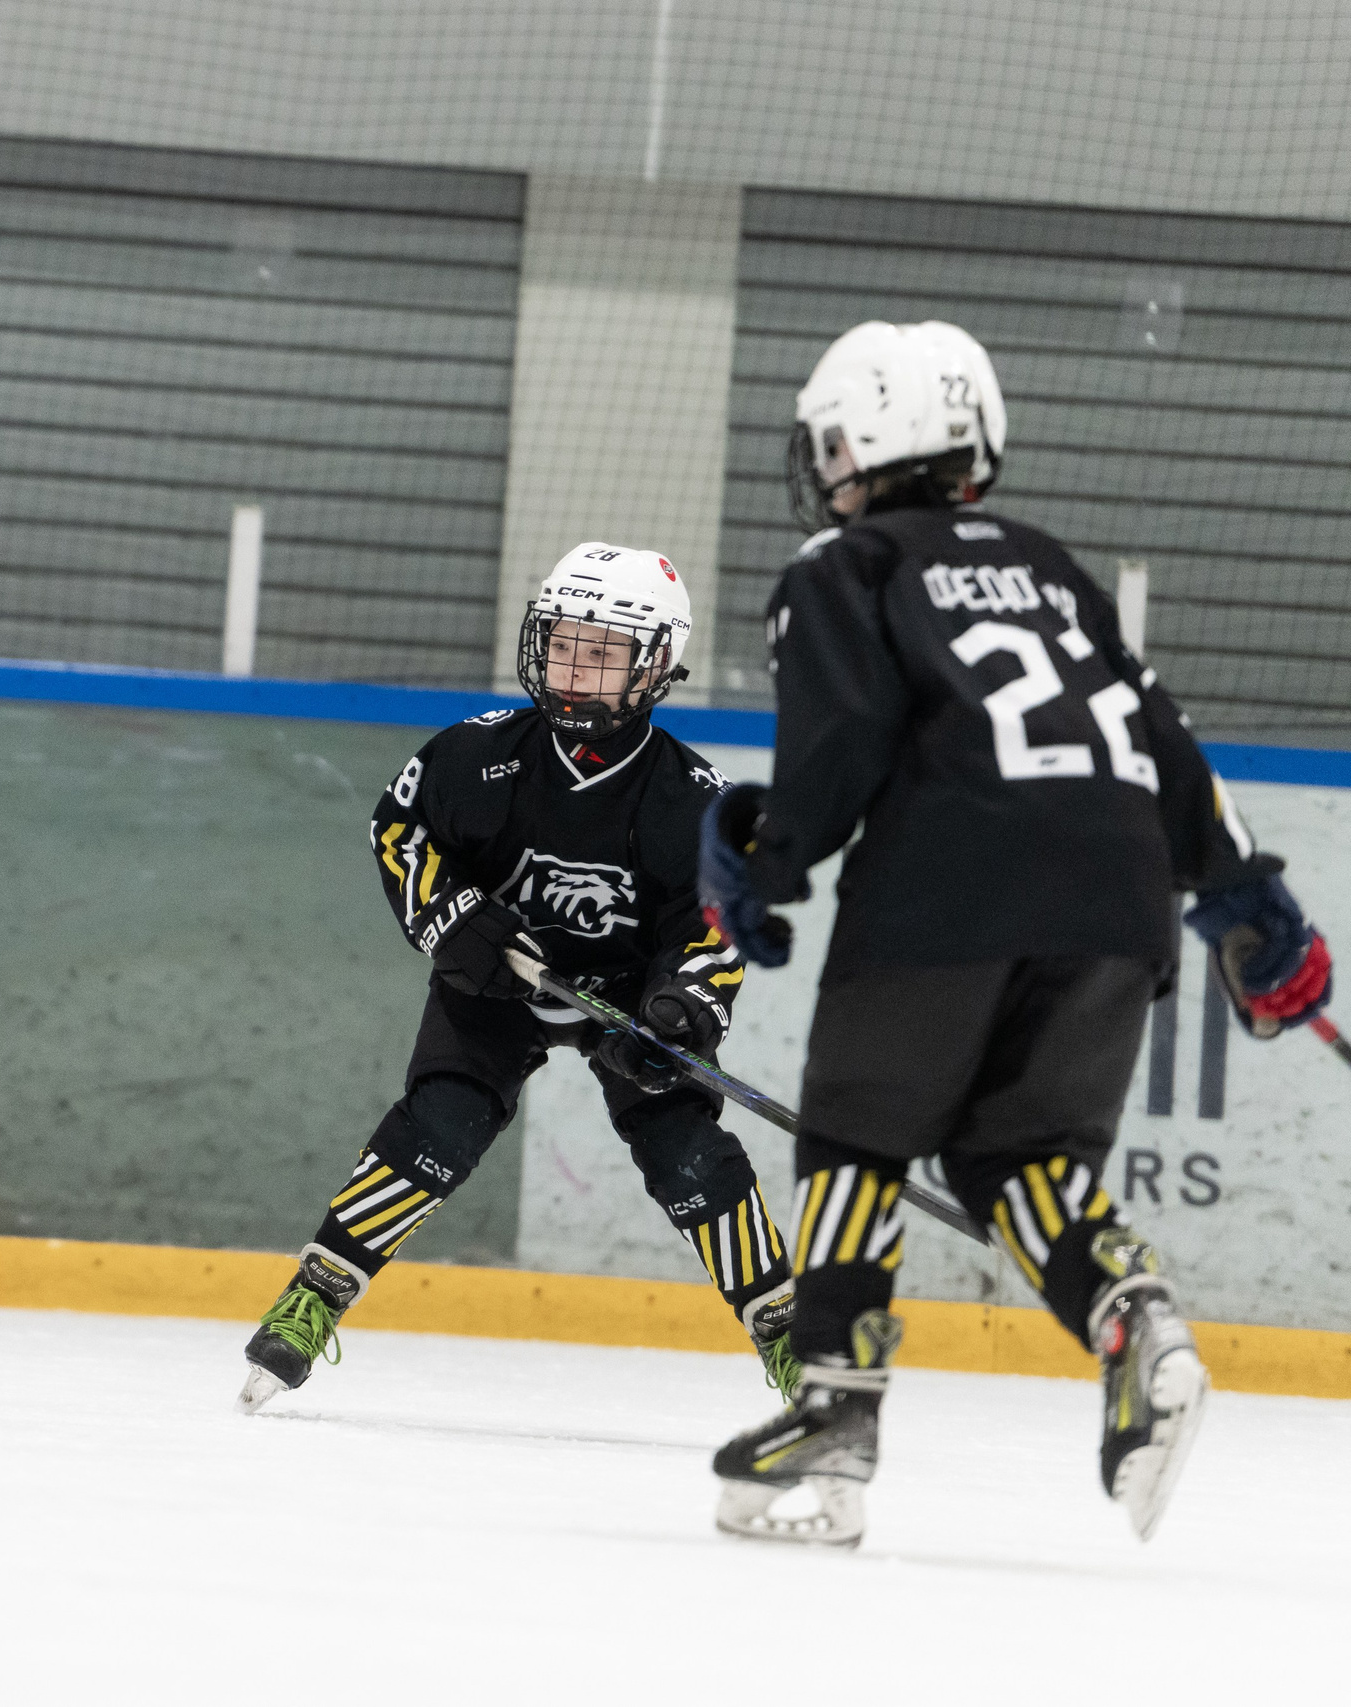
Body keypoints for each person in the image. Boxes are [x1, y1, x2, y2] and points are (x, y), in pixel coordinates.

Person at [702, 319, 1329, 1545]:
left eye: (830, 444)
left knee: (857, 1134)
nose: (823, 468)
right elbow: (1165, 745)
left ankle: (834, 1406)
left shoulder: (841, 565)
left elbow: (840, 738)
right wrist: (1248, 899)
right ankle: (1139, 1328)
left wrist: (765, 863)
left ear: (862, 442)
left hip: (947, 887)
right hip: (1118, 903)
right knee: (1019, 1156)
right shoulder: (1049, 565)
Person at [237, 543, 800, 1414]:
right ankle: (316, 1293)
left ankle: (790, 1335)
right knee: (441, 1122)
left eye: (602, 652)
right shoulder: (476, 755)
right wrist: (450, 917)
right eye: (564, 642)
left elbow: (719, 922)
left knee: (688, 1153)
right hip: (497, 977)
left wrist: (684, 1007)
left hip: (628, 998)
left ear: (657, 665)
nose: (575, 667)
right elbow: (400, 829)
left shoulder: (692, 799)